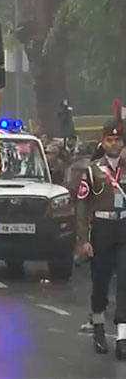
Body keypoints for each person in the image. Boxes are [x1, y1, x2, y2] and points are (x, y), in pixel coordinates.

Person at [75, 118, 126, 359]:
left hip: (124, 226)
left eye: (117, 140)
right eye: (109, 139)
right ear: (102, 141)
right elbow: (82, 205)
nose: (114, 144)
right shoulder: (92, 169)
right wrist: (84, 239)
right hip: (102, 229)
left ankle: (123, 335)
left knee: (124, 282)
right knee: (101, 281)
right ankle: (98, 327)